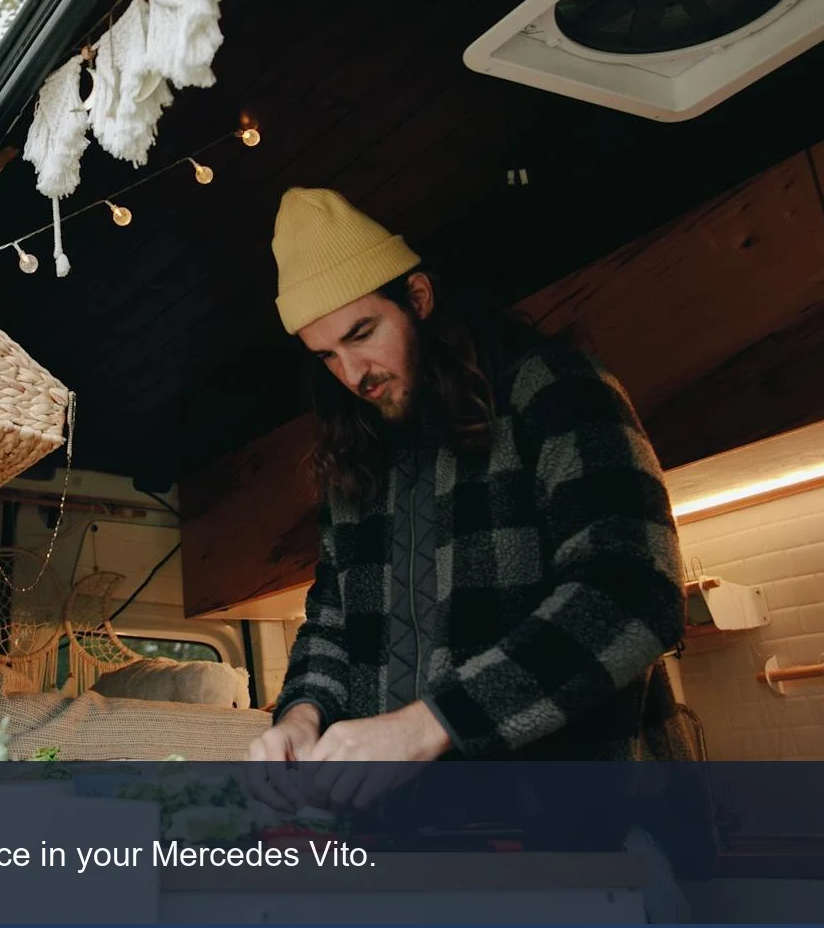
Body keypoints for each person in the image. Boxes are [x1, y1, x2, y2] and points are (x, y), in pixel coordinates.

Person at [247, 188, 689, 805]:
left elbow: (634, 593)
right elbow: (333, 625)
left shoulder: (555, 391)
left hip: (584, 820)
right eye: (327, 356)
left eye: (363, 333)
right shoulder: (357, 459)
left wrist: (431, 723)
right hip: (414, 833)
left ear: (418, 300)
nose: (352, 375)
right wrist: (300, 714)